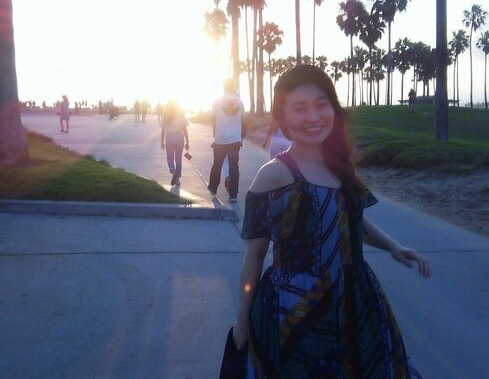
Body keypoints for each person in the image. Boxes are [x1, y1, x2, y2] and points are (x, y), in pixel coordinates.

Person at [230, 65, 431, 377]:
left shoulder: (339, 166)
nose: (313, 116)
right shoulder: (275, 174)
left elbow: (349, 220)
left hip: (355, 297)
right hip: (294, 307)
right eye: (300, 108)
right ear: (282, 117)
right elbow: (253, 257)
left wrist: (393, 246)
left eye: (321, 104)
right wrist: (242, 321)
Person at [208, 78, 245, 203]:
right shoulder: (240, 102)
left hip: (220, 138)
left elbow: (213, 120)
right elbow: (242, 121)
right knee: (234, 166)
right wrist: (240, 136)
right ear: (233, 86)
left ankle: (213, 188)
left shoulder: (217, 102)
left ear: (223, 86)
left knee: (217, 163)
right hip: (235, 138)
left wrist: (216, 133)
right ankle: (233, 194)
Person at [160, 100, 189, 186]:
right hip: (179, 136)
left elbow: (163, 130)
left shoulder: (165, 114)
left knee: (170, 157)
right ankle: (177, 180)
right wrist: (187, 141)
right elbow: (185, 129)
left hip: (169, 137)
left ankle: (173, 172)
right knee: (178, 159)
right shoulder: (180, 114)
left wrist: (162, 141)